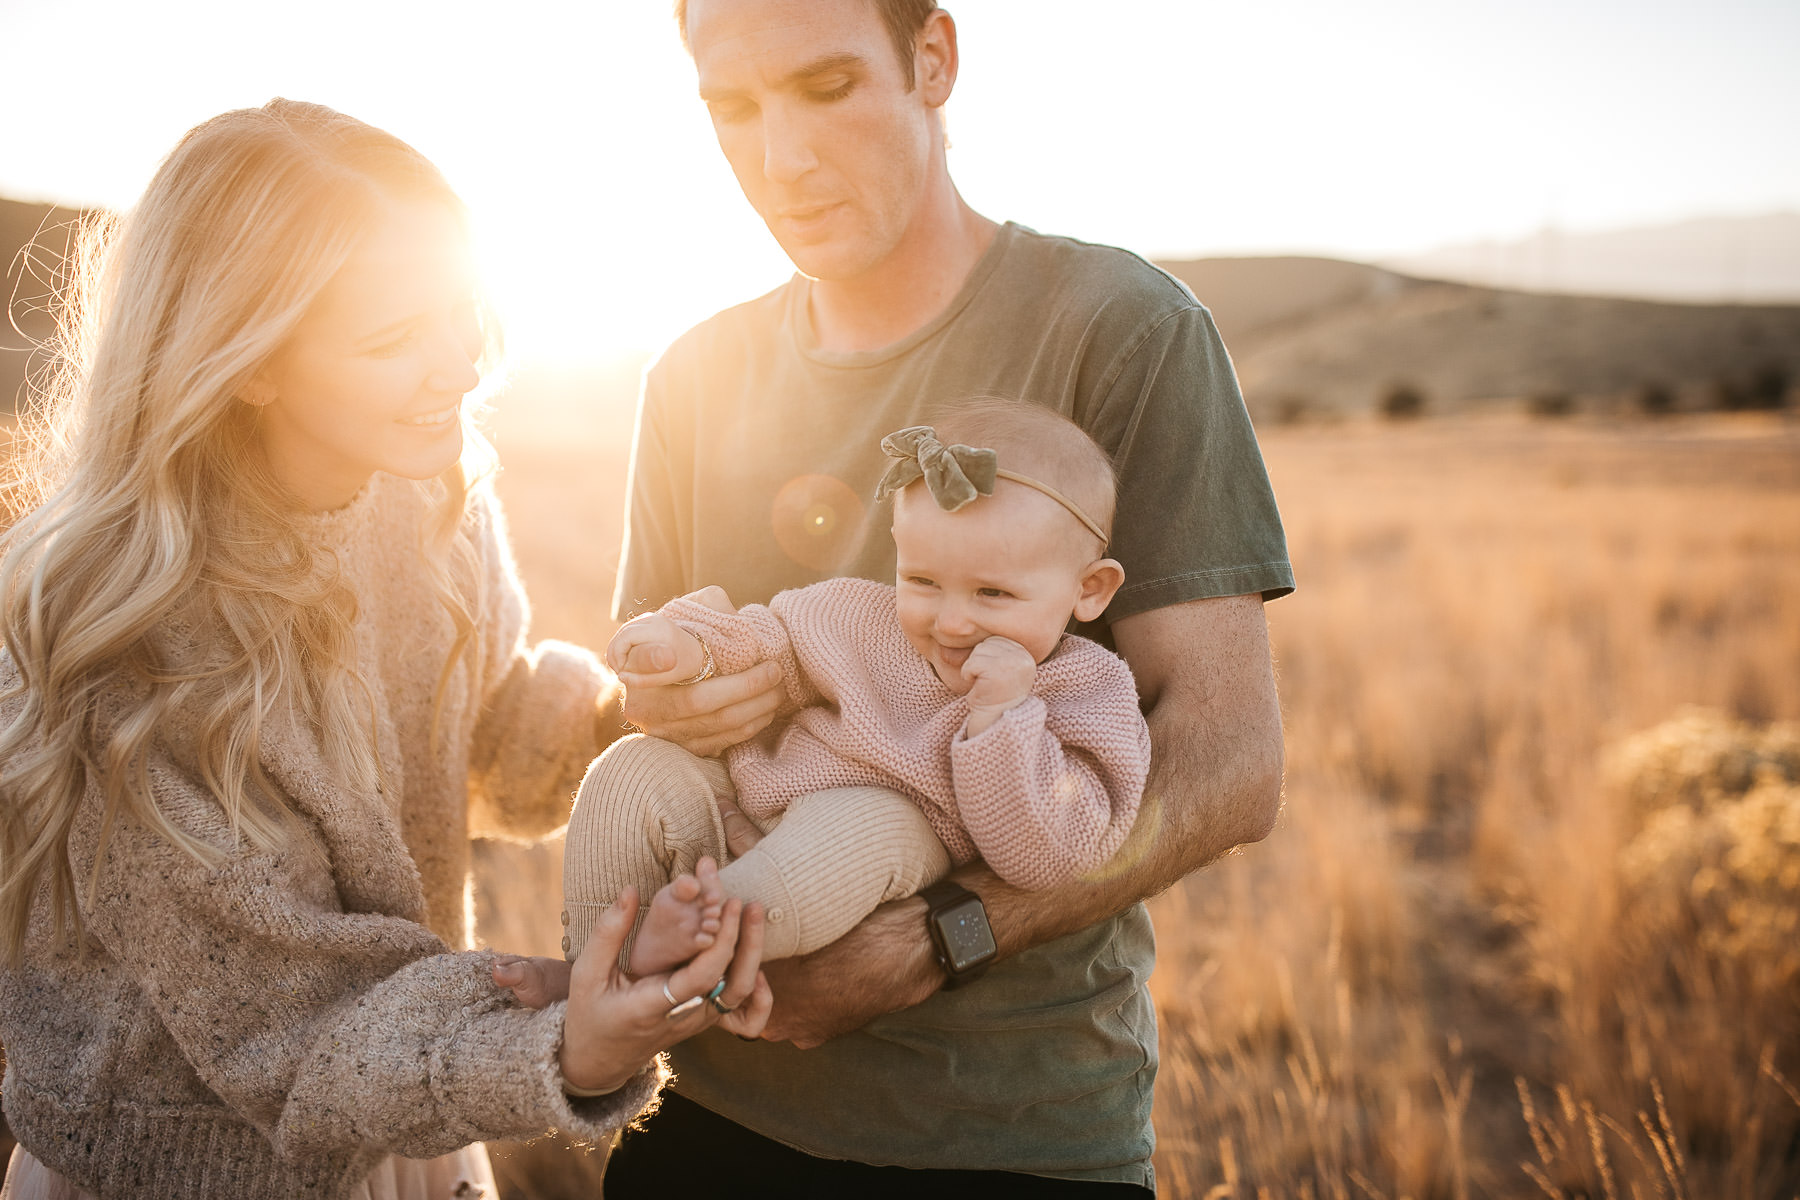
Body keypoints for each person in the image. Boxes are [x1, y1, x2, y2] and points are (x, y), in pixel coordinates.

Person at [0, 100, 770, 1200]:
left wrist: (624, 719)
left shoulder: (426, 494)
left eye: (459, 311)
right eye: (390, 338)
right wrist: (565, 1044)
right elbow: (293, 1020)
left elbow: (477, 739)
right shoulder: (121, 639)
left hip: (412, 1118)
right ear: (251, 361)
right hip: (192, 1172)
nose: (458, 367)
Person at [602, 0, 1293, 1194]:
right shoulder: (692, 377)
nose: (782, 158)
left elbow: (1230, 760)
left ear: (934, 59)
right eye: (734, 108)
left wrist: (939, 941)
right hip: (707, 1111)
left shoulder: (1126, 331)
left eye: (826, 88)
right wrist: (694, 697)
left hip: (1012, 1135)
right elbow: (643, 710)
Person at [565, 403, 1151, 974]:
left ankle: (690, 943)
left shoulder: (1088, 694)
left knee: (866, 821)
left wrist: (1001, 716)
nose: (950, 621)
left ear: (1091, 589)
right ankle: (593, 970)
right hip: (743, 803)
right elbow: (767, 641)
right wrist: (689, 646)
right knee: (630, 771)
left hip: (878, 843)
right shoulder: (860, 617)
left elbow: (1052, 856)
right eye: (922, 580)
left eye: (992, 594)